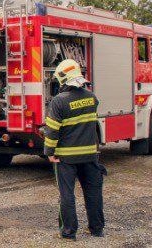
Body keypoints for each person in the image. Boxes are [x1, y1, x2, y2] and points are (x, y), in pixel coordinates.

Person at [44, 59, 106, 241]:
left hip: (66, 158)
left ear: (62, 79)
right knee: (94, 193)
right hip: (90, 155)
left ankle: (68, 231)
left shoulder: (58, 101)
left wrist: (49, 152)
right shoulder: (92, 98)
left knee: (67, 194)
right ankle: (96, 229)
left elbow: (52, 130)